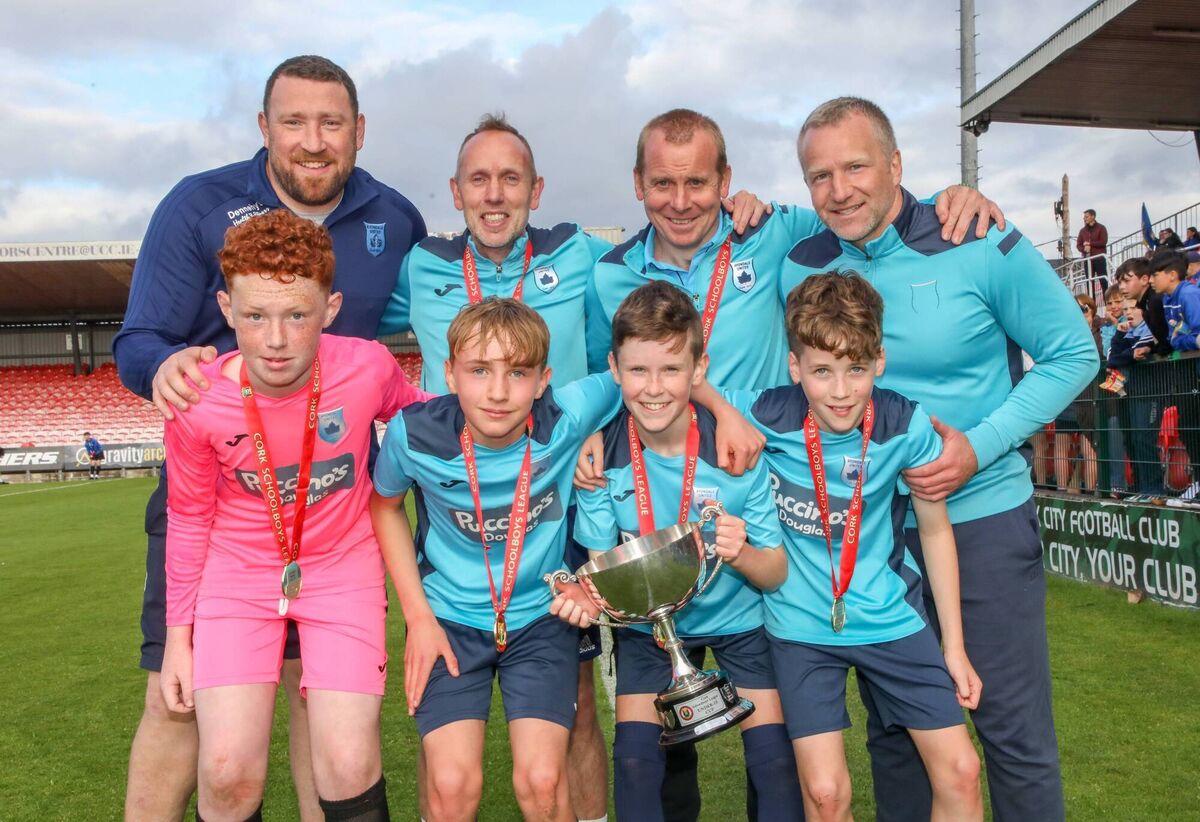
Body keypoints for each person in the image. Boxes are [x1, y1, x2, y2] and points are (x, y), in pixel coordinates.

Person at [580, 106, 1000, 821]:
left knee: (781, 768)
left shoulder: (776, 230)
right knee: (654, 763)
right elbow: (609, 369)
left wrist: (951, 201)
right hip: (658, 507)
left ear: (727, 182)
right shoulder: (608, 272)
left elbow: (865, 212)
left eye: (698, 182)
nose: (681, 201)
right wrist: (595, 430)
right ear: (637, 186)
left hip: (749, 487)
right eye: (662, 184)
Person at [376, 112, 766, 822]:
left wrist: (696, 407)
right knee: (456, 778)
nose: (495, 194)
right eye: (479, 180)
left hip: (557, 516)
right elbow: (339, 323)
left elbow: (646, 345)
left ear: (537, 188)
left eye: (511, 178)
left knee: (576, 718)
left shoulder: (589, 256)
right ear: (456, 192)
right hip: (459, 515)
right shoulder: (420, 265)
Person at [112, 55, 426, 822]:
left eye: (331, 123)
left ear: (358, 131)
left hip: (331, 508)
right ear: (264, 128)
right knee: (176, 699)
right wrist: (174, 370)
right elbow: (138, 341)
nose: (313, 141)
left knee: (321, 716)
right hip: (225, 491)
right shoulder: (198, 206)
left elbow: (417, 352)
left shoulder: (396, 218)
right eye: (294, 122)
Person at [778, 97, 1096, 822]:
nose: (839, 190)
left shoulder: (978, 236)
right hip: (866, 543)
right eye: (819, 176)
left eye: (856, 166)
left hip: (979, 523)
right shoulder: (798, 260)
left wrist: (976, 448)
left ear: (896, 165)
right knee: (897, 739)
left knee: (1011, 736)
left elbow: (1075, 352)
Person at [160, 209, 429, 820]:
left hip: (342, 570)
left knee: (348, 761)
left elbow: (427, 418)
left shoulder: (367, 368)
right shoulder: (196, 400)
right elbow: (190, 516)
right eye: (255, 316)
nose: (275, 339)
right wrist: (180, 639)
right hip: (238, 577)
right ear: (227, 310)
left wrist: (523, 408)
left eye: (297, 315)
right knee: (226, 772)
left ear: (330, 309)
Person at [706, 271, 982, 820]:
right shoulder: (767, 412)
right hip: (801, 629)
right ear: (795, 368)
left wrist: (953, 645)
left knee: (962, 771)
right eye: (822, 371)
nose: (839, 391)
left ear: (878, 360)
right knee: (827, 796)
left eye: (856, 370)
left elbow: (933, 530)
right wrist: (719, 408)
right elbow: (679, 378)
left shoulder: (905, 424)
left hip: (891, 618)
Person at [554, 281, 802, 821]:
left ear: (698, 369)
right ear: (615, 370)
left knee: (775, 764)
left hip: (740, 621)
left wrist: (740, 553)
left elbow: (776, 571)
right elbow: (599, 569)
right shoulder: (600, 463)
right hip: (648, 631)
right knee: (639, 765)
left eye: (670, 369)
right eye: (638, 371)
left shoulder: (735, 451)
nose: (654, 388)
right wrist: (580, 595)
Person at [369, 299, 625, 822]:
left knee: (543, 785)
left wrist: (597, 430)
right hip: (449, 622)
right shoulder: (412, 435)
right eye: (479, 370)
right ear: (449, 373)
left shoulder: (568, 416)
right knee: (451, 786)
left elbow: (643, 375)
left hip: (539, 618)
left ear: (543, 380)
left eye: (519, 372)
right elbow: (385, 506)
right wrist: (418, 618)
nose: (499, 391)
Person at [1148, 249, 1200, 491]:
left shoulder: (1189, 294)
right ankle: (1196, 482)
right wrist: (1183, 342)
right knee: (1188, 427)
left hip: (1194, 370)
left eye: (1155, 274)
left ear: (1171, 275)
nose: (1150, 280)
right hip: (1185, 370)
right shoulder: (1167, 299)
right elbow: (1175, 338)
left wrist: (1183, 342)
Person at [1076, 208, 1109, 291]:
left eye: (1086, 217)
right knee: (1089, 283)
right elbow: (1078, 245)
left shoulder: (1101, 228)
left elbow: (1103, 242)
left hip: (1099, 258)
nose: (1084, 218)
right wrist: (1084, 249)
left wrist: (1090, 244)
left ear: (1093, 217)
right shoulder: (1082, 231)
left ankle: (1107, 301)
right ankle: (1092, 303)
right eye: (1084, 217)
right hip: (1087, 259)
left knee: (1103, 281)